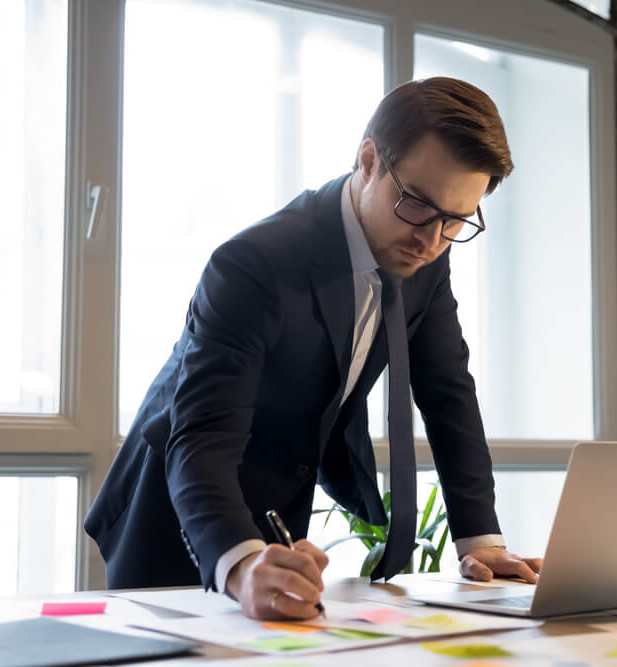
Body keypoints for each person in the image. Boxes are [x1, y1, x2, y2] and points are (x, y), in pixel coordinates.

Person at [84, 76, 542, 621]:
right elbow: (202, 434)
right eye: (418, 204)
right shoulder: (254, 265)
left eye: (457, 219)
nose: (433, 239)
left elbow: (449, 393)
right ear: (368, 159)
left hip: (278, 505)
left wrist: (479, 540)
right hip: (176, 515)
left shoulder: (427, 252)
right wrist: (238, 561)